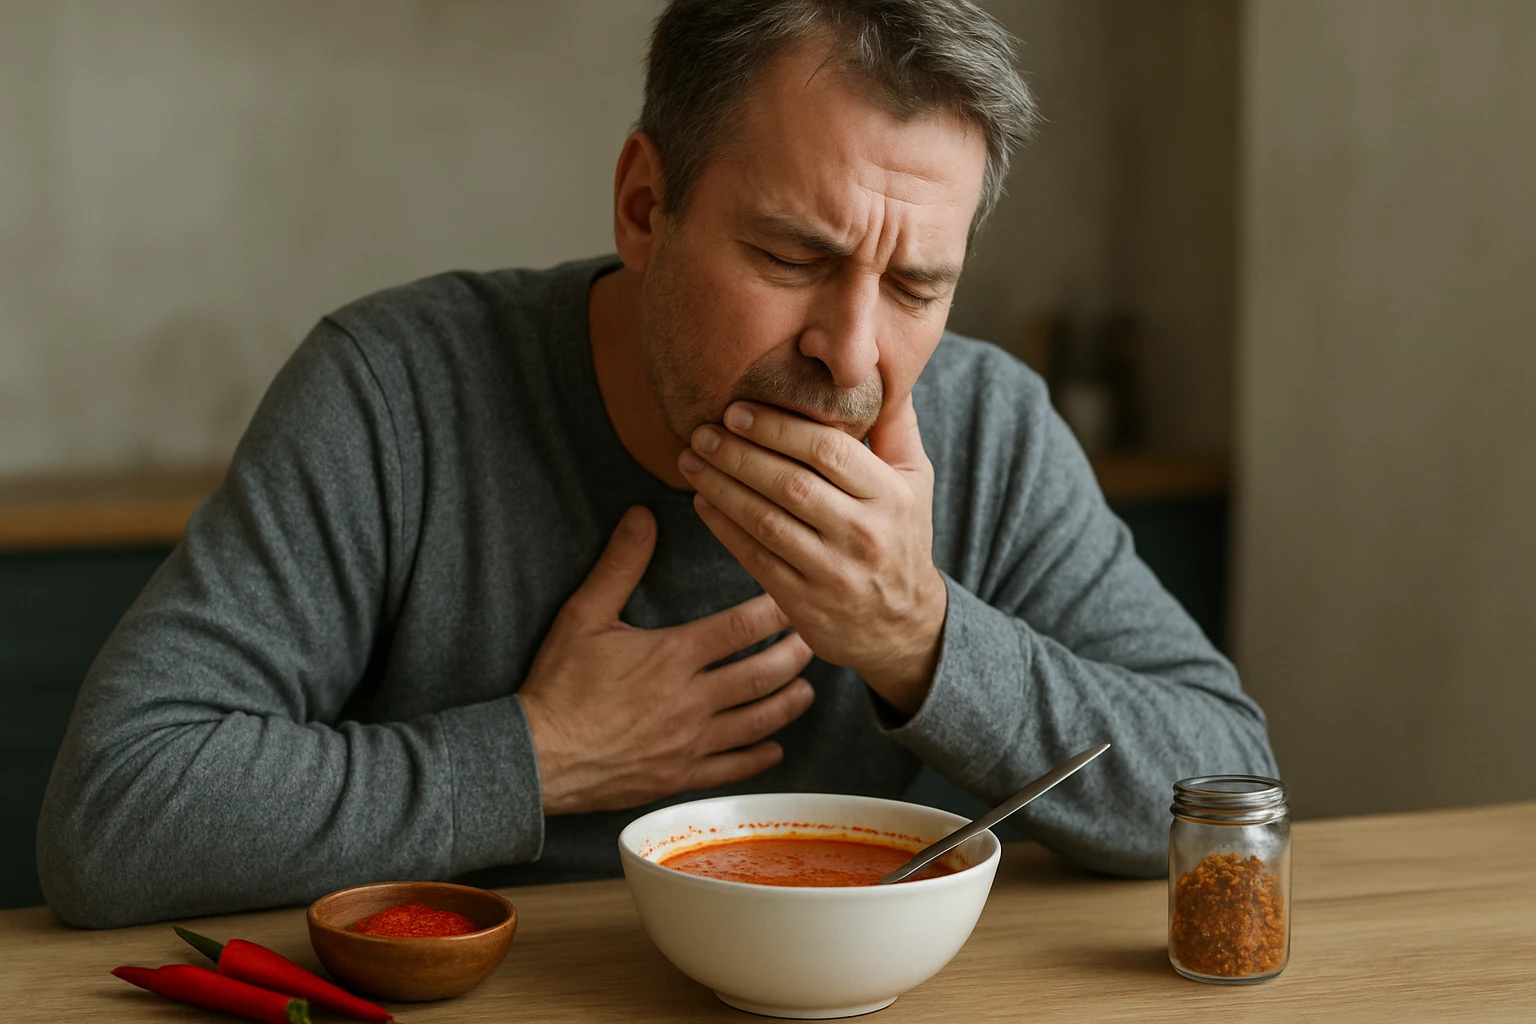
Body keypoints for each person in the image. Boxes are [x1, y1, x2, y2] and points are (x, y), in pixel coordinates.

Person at [38, 0, 1276, 929]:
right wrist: (536, 754)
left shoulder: (991, 424)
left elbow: (1228, 794)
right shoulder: (396, 390)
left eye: (915, 286)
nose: (852, 351)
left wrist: (920, 636)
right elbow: (114, 816)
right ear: (644, 204)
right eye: (792, 257)